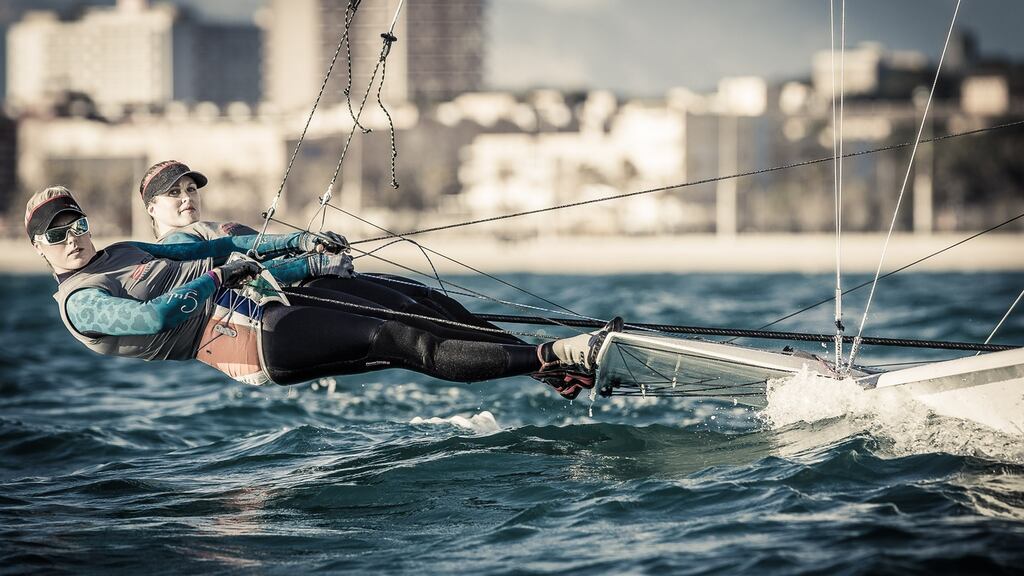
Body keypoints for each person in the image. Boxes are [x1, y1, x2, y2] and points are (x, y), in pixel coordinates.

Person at [28, 186, 619, 398]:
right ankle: (553, 357)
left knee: (419, 303)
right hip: (241, 343)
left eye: (77, 223)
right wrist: (221, 278)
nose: (73, 238)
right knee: (399, 337)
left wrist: (294, 244)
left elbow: (200, 249)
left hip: (257, 306)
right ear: (40, 248)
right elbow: (153, 318)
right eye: (58, 234)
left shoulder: (125, 252)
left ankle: (538, 363)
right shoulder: (81, 299)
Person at [139, 160, 520, 343]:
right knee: (416, 313)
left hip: (318, 279)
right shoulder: (176, 246)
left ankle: (532, 356)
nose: (187, 198)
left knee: (426, 298)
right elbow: (248, 277)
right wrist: (315, 261)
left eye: (190, 189)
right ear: (152, 208)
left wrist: (314, 247)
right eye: (174, 193)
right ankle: (536, 359)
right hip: (297, 302)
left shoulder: (210, 229)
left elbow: (269, 255)